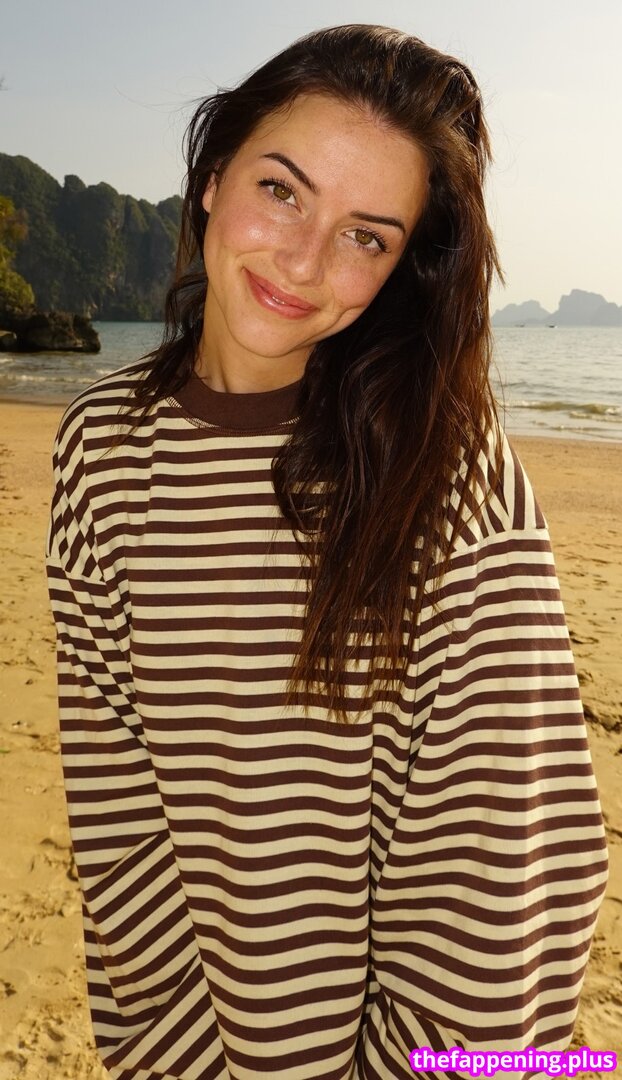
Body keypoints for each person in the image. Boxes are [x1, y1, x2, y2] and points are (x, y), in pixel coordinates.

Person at [45, 23, 607, 1080]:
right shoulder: (103, 446)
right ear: (212, 177)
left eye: (365, 236)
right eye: (282, 190)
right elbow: (120, 822)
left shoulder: (447, 480)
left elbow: (500, 898)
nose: (302, 261)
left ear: (402, 268)